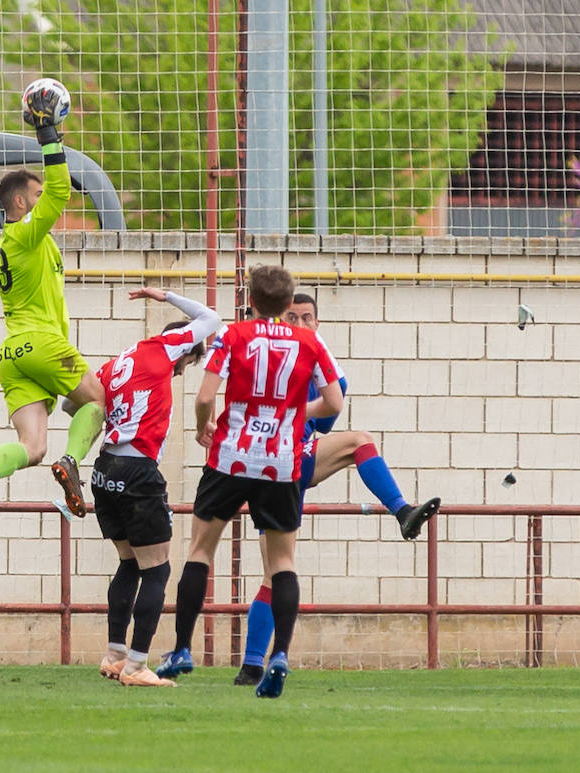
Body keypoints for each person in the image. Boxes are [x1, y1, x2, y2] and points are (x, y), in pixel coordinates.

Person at [226, 292, 440, 686]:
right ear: (278, 318)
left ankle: (253, 665)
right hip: (275, 457)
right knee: (359, 442)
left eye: (308, 318)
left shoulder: (312, 360)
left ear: (318, 323)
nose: (301, 324)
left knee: (275, 572)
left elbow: (327, 415)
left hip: (289, 459)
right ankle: (401, 510)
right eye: (293, 317)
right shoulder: (270, 355)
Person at [165, 265, 343, 699]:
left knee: (201, 549)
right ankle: (279, 655)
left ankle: (182, 649)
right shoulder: (310, 341)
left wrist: (202, 426)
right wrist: (293, 415)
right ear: (288, 304)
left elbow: (206, 396)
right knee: (281, 563)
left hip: (230, 456)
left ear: (250, 299)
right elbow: (335, 401)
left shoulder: (234, 336)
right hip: (280, 462)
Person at [0, 85, 105, 519]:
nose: (44, 205)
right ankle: (73, 462)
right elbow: (58, 191)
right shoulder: (24, 235)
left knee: (32, 447)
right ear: (20, 203)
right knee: (98, 401)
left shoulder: (20, 246)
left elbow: (51, 196)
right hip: (41, 345)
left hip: (13, 355)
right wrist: (48, 134)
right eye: (34, 199)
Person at [94, 287, 220, 687]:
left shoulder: (116, 364)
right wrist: (163, 295)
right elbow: (211, 319)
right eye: (188, 361)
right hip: (137, 471)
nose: (183, 370)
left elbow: (78, 404)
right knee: (157, 569)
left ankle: (114, 655)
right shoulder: (164, 347)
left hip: (105, 467)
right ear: (181, 348)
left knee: (128, 563)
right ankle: (136, 666)